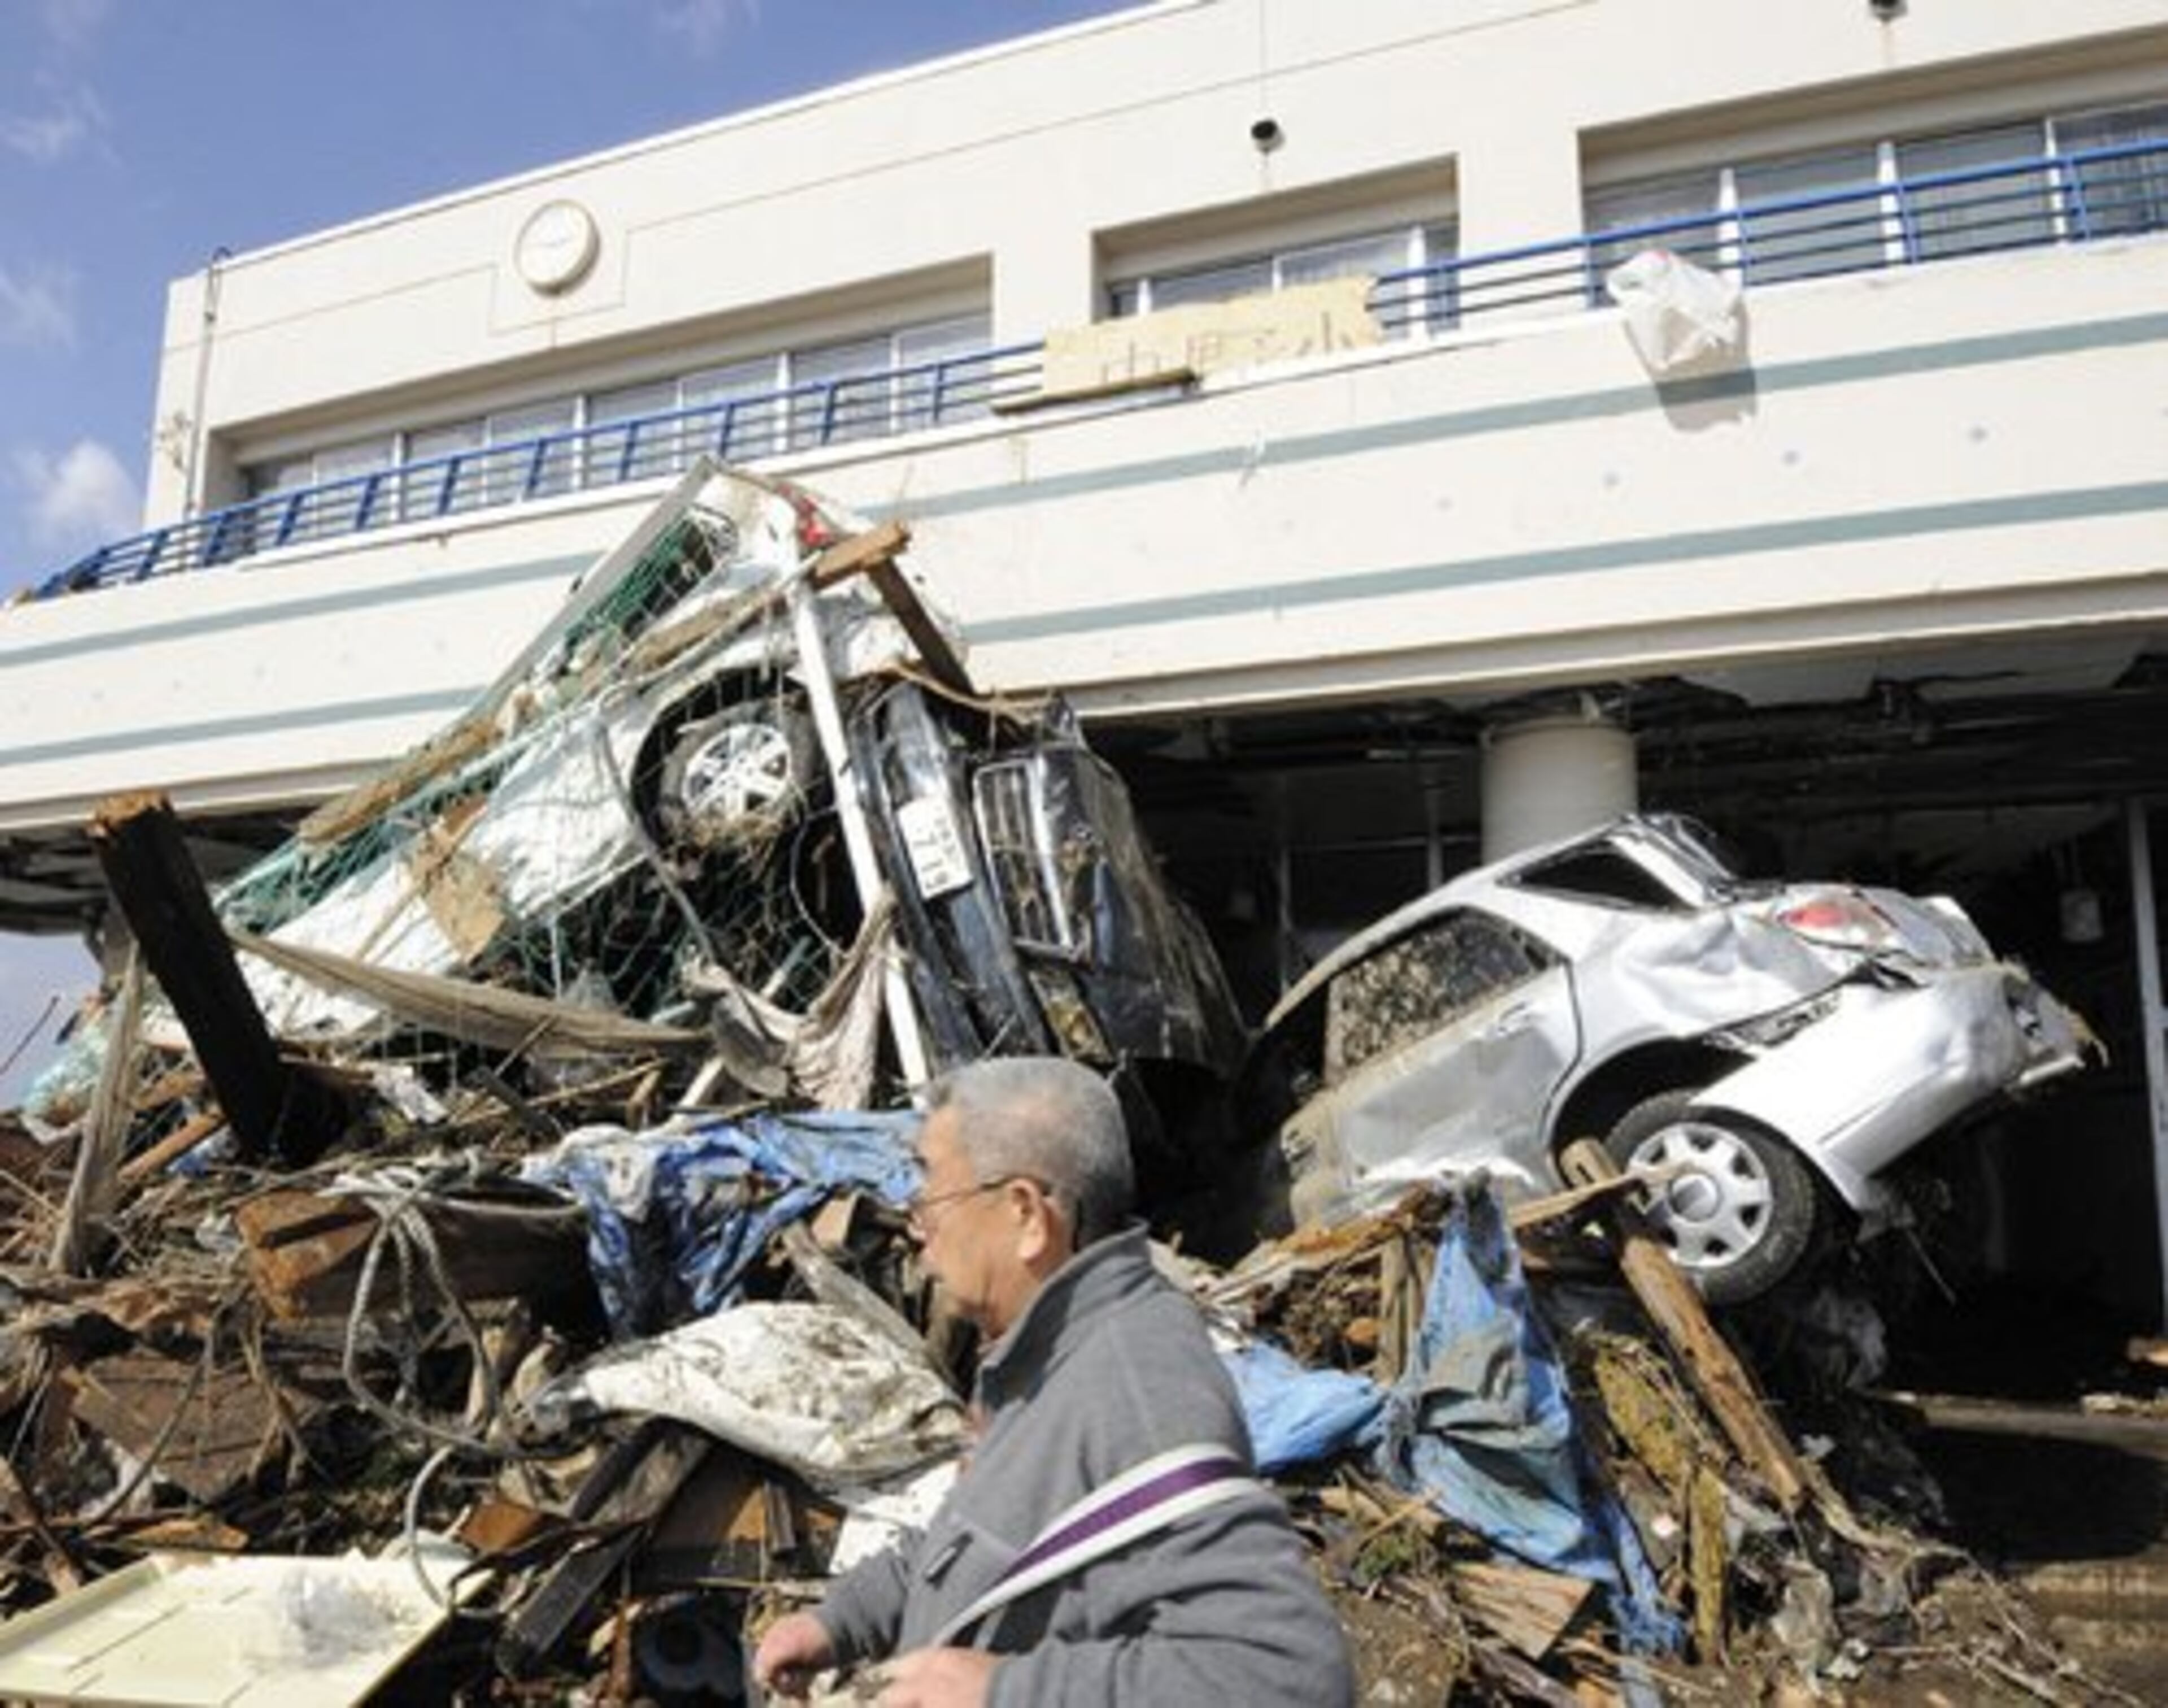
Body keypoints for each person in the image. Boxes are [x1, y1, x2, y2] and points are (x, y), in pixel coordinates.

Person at [753, 1056, 1354, 1708]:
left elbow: (1289, 1673)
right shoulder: (1045, 1354)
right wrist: (840, 1618)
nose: (913, 1217)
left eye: (930, 1185)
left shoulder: (1135, 1382)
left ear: (1026, 1215)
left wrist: (1001, 1689)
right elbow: (982, 1538)